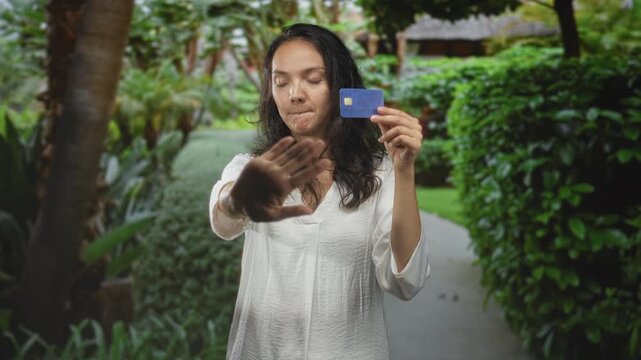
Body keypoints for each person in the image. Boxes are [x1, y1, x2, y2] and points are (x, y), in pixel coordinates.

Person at [209, 23, 430, 360]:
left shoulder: (381, 173)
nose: (294, 93)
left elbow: (404, 280)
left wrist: (404, 171)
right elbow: (224, 220)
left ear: (341, 87)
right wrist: (240, 197)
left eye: (313, 79)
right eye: (281, 82)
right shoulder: (249, 167)